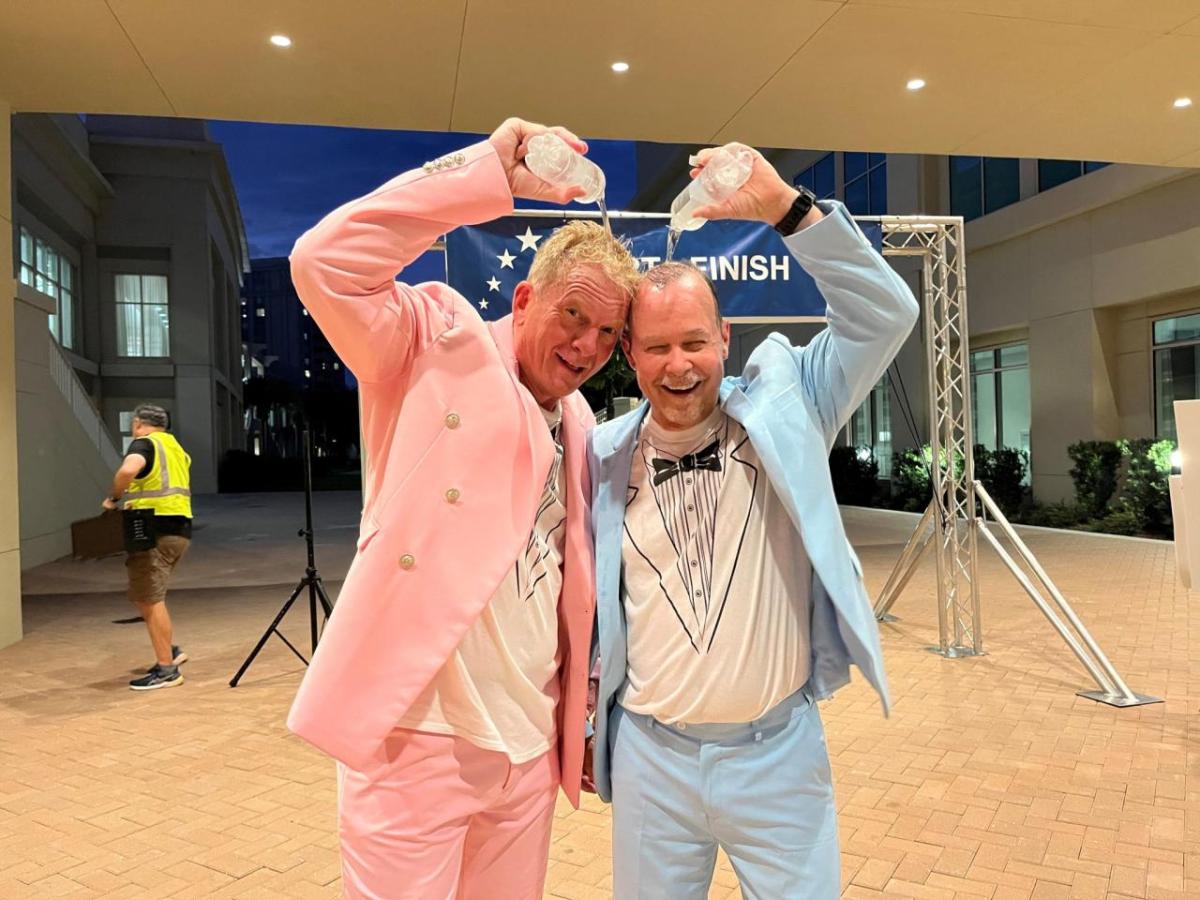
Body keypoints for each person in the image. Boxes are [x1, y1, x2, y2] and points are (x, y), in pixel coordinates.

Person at [286, 117, 640, 899]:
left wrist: (576, 713)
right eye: (573, 315)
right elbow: (324, 263)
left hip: (523, 751)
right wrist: (486, 172)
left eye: (608, 333)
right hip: (416, 739)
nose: (586, 346)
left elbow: (566, 582)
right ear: (524, 297)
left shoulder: (583, 424)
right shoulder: (428, 338)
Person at [586, 144, 919, 898]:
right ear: (629, 353)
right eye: (659, 347)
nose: (680, 365)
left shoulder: (790, 402)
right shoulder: (600, 454)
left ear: (724, 339)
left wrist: (785, 208)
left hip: (778, 756)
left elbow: (887, 313)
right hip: (650, 759)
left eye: (695, 343)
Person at [102, 403, 192, 691]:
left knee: (150, 599)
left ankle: (167, 669)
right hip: (179, 531)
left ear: (138, 423)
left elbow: (128, 470)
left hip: (153, 532)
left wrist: (114, 497)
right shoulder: (176, 448)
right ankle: (170, 650)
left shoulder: (144, 443)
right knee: (149, 597)